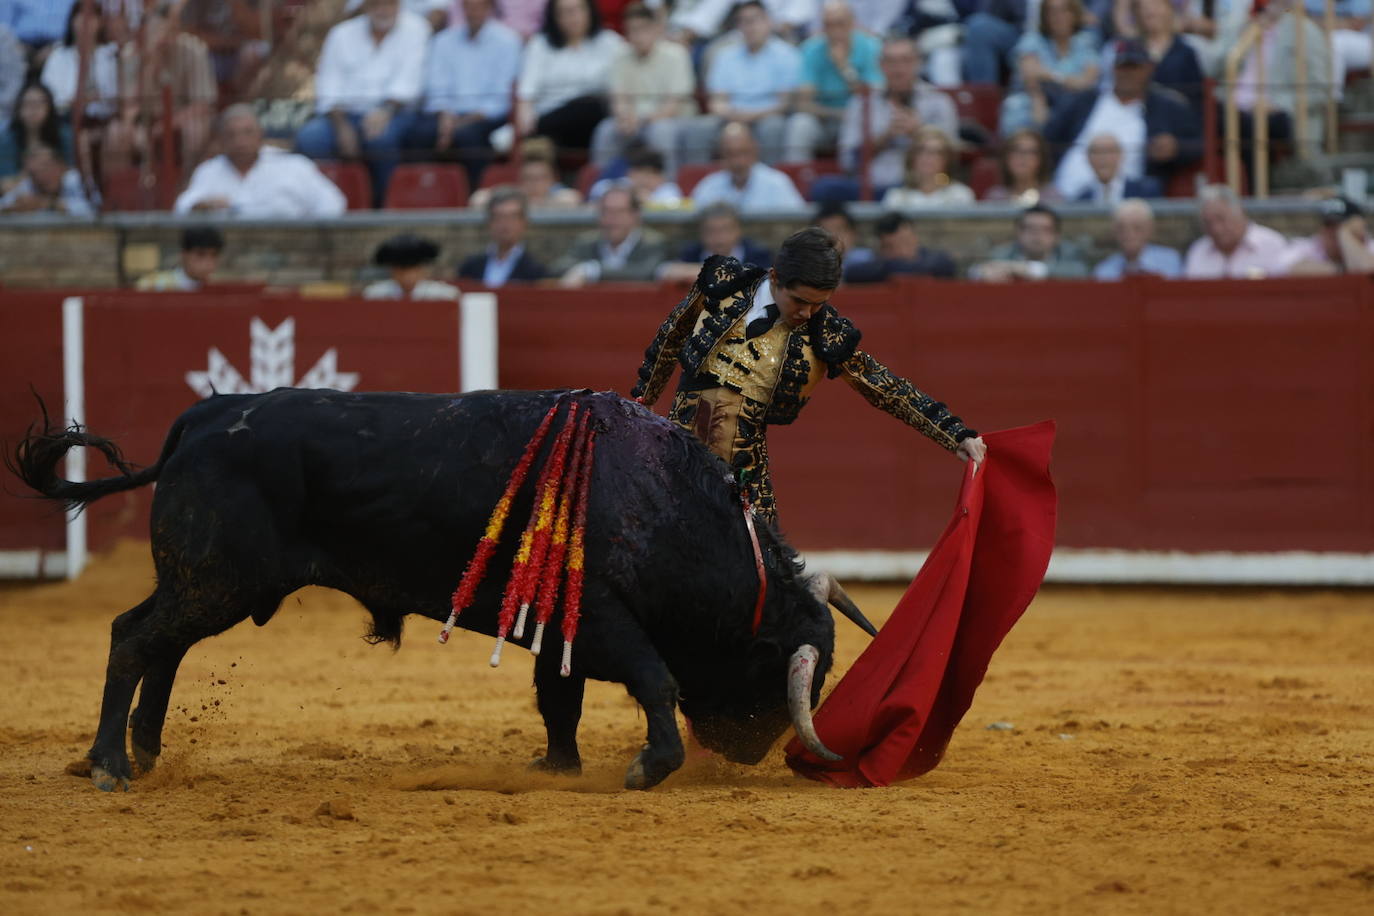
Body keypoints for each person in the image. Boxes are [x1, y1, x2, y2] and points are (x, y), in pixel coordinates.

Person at [629, 225, 985, 523]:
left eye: (819, 303)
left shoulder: (825, 333)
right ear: (775, 278)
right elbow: (671, 337)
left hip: (743, 474)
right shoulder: (724, 283)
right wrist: (640, 403)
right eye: (799, 301)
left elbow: (884, 387)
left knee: (762, 574)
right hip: (676, 451)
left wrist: (954, 435)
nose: (808, 313)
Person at [295, 0, 431, 208]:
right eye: (377, 4)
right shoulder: (341, 34)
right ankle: (325, 205)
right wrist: (342, 127)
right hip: (343, 115)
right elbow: (329, 85)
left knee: (381, 140)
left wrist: (384, 112)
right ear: (365, 7)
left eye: (389, 4)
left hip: (395, 112)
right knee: (310, 138)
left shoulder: (417, 28)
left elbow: (410, 82)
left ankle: (381, 205)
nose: (383, 10)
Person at [1045, 38, 1200, 201]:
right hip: (1066, 197)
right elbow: (1049, 139)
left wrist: (1176, 148)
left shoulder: (1167, 107)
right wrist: (1047, 181)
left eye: (1134, 67)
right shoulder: (1083, 101)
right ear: (1113, 68)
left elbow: (1200, 143)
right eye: (1122, 67)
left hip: (1130, 202)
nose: (1128, 73)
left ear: (1149, 69)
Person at [410, 0, 521, 187]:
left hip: (486, 117)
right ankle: (424, 193)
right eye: (469, 6)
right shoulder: (444, 40)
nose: (473, 12)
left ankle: (473, 194)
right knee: (417, 134)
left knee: (468, 138)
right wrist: (446, 116)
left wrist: (461, 123)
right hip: (446, 115)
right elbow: (436, 87)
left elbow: (501, 98)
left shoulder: (508, 41)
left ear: (490, 8)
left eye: (479, 7)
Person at [105, 2, 217, 181]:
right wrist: (150, 63)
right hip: (144, 119)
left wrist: (165, 125)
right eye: (158, 30)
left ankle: (187, 186)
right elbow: (128, 105)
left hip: (183, 118)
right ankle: (121, 191)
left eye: (170, 30)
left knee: (196, 130)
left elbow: (202, 105)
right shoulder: (130, 54)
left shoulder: (195, 50)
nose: (164, 36)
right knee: (115, 133)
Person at [174, 105, 347, 218]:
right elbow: (182, 209)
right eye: (231, 135)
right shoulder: (209, 171)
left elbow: (333, 203)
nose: (240, 141)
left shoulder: (293, 166)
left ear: (260, 135)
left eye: (247, 133)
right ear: (221, 140)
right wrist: (201, 206)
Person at [683, 1, 801, 165]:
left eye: (754, 20)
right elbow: (717, 102)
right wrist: (733, 115)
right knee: (699, 129)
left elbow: (784, 104)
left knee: (773, 127)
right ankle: (699, 183)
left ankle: (770, 178)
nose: (749, 27)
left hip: (768, 116)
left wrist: (751, 116)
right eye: (744, 21)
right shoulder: (724, 56)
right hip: (731, 117)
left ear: (768, 21)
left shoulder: (787, 54)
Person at [838, 36, 958, 197]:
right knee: (826, 188)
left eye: (906, 61)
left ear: (918, 63)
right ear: (880, 65)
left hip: (920, 187)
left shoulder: (938, 101)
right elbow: (847, 161)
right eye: (891, 62)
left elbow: (951, 156)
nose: (898, 69)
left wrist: (919, 132)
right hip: (871, 187)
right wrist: (885, 136)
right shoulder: (862, 102)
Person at [590, 3, 695, 181]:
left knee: (661, 132)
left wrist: (640, 120)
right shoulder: (620, 55)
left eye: (643, 29)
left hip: (673, 120)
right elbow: (619, 99)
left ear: (656, 29)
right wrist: (624, 118)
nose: (637, 36)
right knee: (606, 130)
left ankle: (668, 188)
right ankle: (602, 188)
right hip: (634, 121)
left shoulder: (676, 54)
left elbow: (673, 106)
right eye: (632, 30)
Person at [513, 0, 625, 153]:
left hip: (596, 119)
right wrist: (525, 124)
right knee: (584, 108)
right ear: (554, 16)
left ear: (590, 11)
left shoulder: (610, 42)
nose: (573, 17)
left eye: (578, 9)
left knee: (594, 110)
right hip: (553, 117)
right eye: (565, 12)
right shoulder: (540, 45)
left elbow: (623, 85)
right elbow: (526, 92)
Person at [783, 0, 881, 163]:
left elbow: (873, 97)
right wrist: (836, 114)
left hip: (859, 119)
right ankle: (798, 178)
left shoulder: (871, 47)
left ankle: (852, 178)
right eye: (828, 25)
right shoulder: (811, 49)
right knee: (800, 124)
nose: (834, 31)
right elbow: (803, 103)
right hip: (823, 119)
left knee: (868, 124)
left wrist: (844, 67)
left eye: (840, 24)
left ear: (852, 24)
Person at [999, 0, 1101, 136]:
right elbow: (1030, 75)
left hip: (1070, 110)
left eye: (1064, 11)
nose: (1058, 17)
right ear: (1044, 16)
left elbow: (1087, 82)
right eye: (1051, 12)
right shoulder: (1033, 39)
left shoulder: (1085, 41)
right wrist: (1039, 99)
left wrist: (1052, 76)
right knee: (1020, 112)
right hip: (1033, 102)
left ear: (1074, 14)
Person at [552, 185, 668, 286]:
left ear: (635, 215)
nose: (612, 218)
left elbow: (647, 272)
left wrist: (591, 271)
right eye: (606, 212)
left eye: (620, 212)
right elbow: (558, 268)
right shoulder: (587, 241)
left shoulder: (653, 242)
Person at [1102, 0, 1204, 110]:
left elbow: (1196, 95)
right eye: (1144, 7)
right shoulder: (1125, 49)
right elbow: (1108, 89)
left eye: (1156, 5)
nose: (1151, 11)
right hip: (1131, 114)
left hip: (1173, 118)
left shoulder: (1186, 51)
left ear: (1169, 9)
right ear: (1136, 12)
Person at [691, 121, 805, 213]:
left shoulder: (777, 183)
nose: (737, 161)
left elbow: (795, 225)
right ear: (721, 154)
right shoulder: (709, 185)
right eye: (730, 154)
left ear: (755, 150)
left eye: (743, 152)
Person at [1182, 183, 1288, 279]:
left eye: (1221, 219)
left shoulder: (1271, 244)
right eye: (1208, 223)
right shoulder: (1198, 250)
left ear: (1239, 212)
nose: (1216, 229)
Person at [38, 2, 118, 119]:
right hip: (66, 120)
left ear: (100, 22)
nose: (85, 22)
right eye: (79, 16)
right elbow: (49, 97)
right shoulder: (58, 55)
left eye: (91, 17)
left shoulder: (112, 54)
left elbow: (117, 95)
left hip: (108, 121)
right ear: (72, 21)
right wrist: (76, 101)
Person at [971, 203, 1090, 280]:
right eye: (1030, 228)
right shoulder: (1003, 253)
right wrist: (982, 273)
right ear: (1018, 232)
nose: (1037, 235)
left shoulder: (1070, 253)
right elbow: (976, 271)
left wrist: (1025, 269)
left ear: (1057, 235)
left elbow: (1081, 272)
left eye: (1045, 229)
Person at [659, 201, 772, 282]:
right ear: (701, 232)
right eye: (711, 231)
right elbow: (664, 271)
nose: (719, 238)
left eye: (725, 230)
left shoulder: (757, 253)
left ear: (738, 230)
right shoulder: (691, 252)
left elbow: (767, 275)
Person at [457, 188, 548, 286]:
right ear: (489, 222)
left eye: (512, 217)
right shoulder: (471, 266)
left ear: (524, 222)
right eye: (499, 217)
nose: (505, 224)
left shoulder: (537, 270)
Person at [469, 136, 584, 210]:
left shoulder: (559, 194)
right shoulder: (516, 197)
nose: (534, 184)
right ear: (520, 180)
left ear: (552, 179)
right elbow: (478, 199)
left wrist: (541, 204)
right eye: (528, 178)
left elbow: (573, 199)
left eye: (540, 178)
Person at [845, 210, 957, 282]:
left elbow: (945, 265)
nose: (903, 252)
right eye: (892, 247)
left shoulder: (937, 261)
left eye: (906, 243)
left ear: (915, 238)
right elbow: (852, 274)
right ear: (882, 249)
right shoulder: (876, 266)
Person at [881, 126, 975, 210]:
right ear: (912, 157)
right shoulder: (896, 198)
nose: (927, 157)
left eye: (936, 152)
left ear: (947, 159)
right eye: (921, 150)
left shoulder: (960, 196)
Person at [1278, 196, 1374, 276]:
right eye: (1328, 224)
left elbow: (1370, 270)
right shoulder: (1308, 246)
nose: (1333, 232)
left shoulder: (1370, 246)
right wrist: (1342, 270)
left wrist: (1346, 235)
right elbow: (1284, 267)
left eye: (1339, 225)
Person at [1, 82, 73, 189]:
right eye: (28, 104)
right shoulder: (6, 139)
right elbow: (4, 181)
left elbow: (72, 174)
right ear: (18, 108)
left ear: (50, 107)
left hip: (60, 194)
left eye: (39, 104)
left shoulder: (64, 135)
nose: (33, 110)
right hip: (18, 198)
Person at [1093, 197, 1182, 278]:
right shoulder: (1104, 270)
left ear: (1149, 229)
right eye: (1121, 229)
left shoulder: (1170, 261)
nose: (1129, 234)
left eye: (1137, 228)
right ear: (1114, 232)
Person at [0, 141, 95, 215]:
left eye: (45, 168)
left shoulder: (76, 179)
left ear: (60, 166)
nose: (40, 176)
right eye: (34, 173)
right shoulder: (30, 184)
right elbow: (4, 204)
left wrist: (48, 204)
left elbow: (93, 208)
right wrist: (14, 208)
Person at [364, 233, 461, 299]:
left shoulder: (443, 295)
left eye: (411, 270)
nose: (406, 277)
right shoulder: (376, 295)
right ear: (392, 271)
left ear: (421, 270)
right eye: (401, 270)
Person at [983, 128, 1065, 204]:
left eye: (1030, 152)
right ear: (1005, 157)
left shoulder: (1053, 198)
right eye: (1016, 150)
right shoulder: (995, 198)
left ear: (1042, 159)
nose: (1022, 157)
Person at [1074, 133, 1162, 202]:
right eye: (1096, 152)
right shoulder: (1080, 199)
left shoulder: (1145, 191)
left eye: (1109, 151)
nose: (1103, 158)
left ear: (1121, 155)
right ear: (1088, 158)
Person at [135, 226, 224, 290]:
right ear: (184, 254)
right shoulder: (154, 285)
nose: (208, 262)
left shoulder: (220, 288)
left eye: (214, 255)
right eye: (200, 254)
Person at [812, 199, 876, 268]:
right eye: (825, 232)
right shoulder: (809, 264)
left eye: (839, 230)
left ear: (853, 234)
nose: (833, 238)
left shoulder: (870, 261)